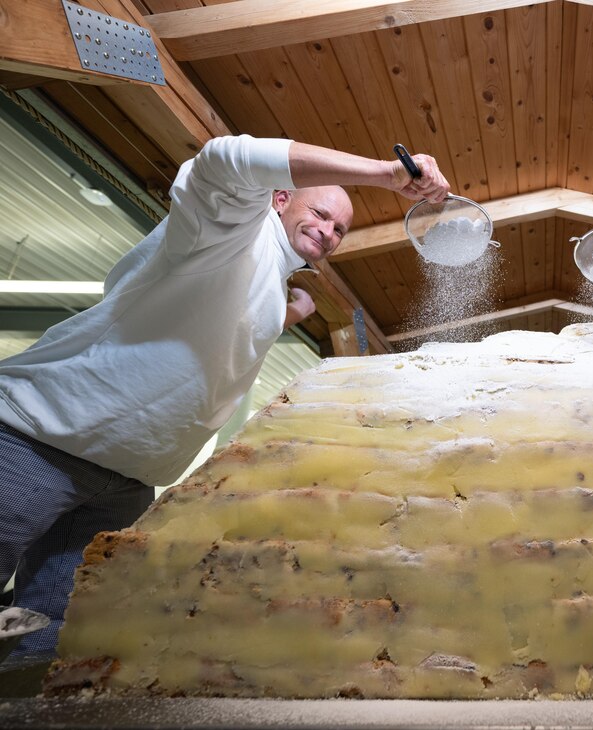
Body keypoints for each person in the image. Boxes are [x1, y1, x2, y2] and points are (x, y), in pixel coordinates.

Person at [0, 134, 450, 658]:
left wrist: (289, 317)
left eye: (339, 230)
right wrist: (382, 173)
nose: (329, 232)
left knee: (65, 635)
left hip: (127, 479)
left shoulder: (266, 276)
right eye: (321, 214)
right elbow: (223, 158)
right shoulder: (231, 226)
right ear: (279, 198)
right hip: (39, 437)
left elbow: (216, 331)